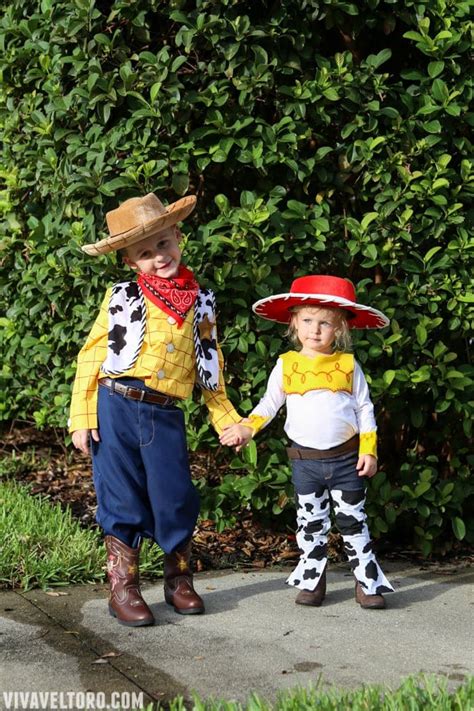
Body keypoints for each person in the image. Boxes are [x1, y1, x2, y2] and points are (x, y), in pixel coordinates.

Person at [69, 192, 242, 627]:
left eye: (163, 244)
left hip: (165, 413)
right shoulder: (121, 295)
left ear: (178, 238)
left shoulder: (201, 302)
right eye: (144, 253)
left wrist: (228, 420)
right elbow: (91, 356)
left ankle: (178, 579)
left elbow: (209, 366)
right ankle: (122, 586)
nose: (158, 257)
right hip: (116, 405)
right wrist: (82, 416)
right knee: (121, 495)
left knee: (175, 495)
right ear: (130, 262)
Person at [220, 275, 394, 609]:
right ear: (294, 323)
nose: (315, 330)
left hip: (346, 461)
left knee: (353, 521)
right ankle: (313, 581)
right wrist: (247, 428)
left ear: (340, 329)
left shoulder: (347, 365)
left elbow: (364, 407)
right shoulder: (286, 365)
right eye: (308, 321)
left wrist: (368, 450)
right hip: (306, 463)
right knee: (310, 523)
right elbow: (269, 405)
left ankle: (367, 583)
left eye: (325, 323)